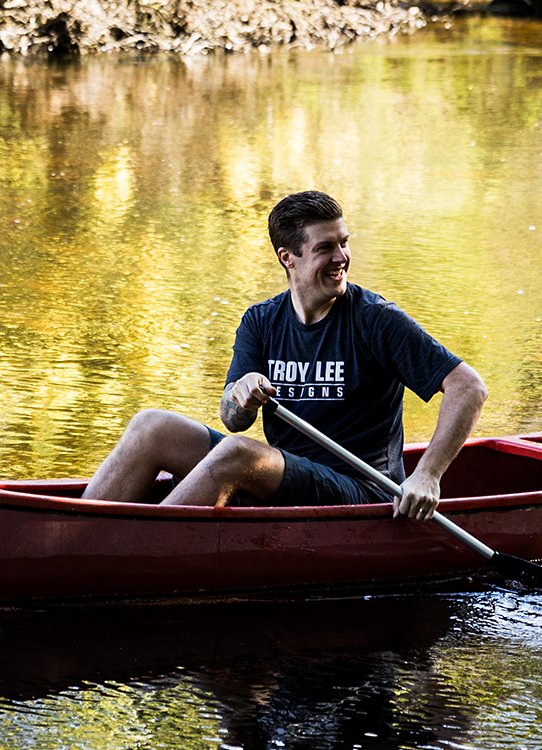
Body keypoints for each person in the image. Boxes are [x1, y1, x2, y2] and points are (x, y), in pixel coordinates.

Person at [82, 190, 488, 515]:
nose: (342, 258)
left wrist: (427, 476)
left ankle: (137, 551)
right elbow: (233, 419)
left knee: (238, 455)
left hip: (361, 488)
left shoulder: (375, 320)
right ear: (287, 258)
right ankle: (72, 538)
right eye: (325, 248)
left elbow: (468, 387)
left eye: (344, 243)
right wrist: (240, 394)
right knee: (152, 424)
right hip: (284, 476)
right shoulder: (261, 321)